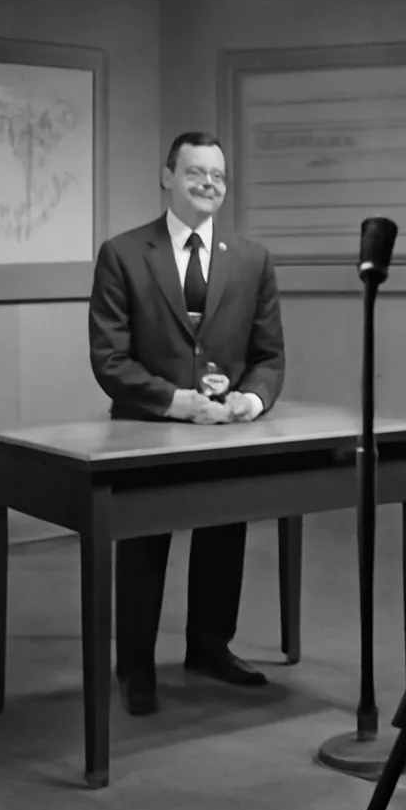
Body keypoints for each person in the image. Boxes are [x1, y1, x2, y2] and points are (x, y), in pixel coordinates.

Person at [88, 131, 286, 716]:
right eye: (196, 173)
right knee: (145, 545)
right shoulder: (123, 254)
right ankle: (137, 668)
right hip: (147, 428)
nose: (208, 185)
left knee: (224, 533)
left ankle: (208, 648)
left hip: (225, 430)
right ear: (167, 176)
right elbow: (110, 359)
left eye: (218, 177)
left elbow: (269, 357)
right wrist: (177, 401)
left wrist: (247, 403)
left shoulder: (252, 259)